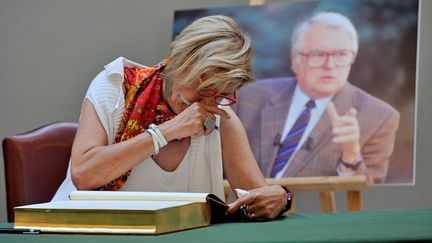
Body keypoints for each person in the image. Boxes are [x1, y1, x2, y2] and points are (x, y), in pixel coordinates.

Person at [52, 15, 290, 221]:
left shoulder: (221, 118)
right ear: (177, 60)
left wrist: (281, 197)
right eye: (204, 86)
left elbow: (257, 199)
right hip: (86, 228)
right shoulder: (115, 86)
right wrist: (167, 131)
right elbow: (84, 175)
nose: (208, 101)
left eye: (222, 93)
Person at [233, 12, 400, 185]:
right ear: (295, 60)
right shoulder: (250, 96)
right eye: (318, 54)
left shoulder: (380, 118)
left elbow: (371, 201)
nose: (330, 65)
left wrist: (351, 155)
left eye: (341, 54)